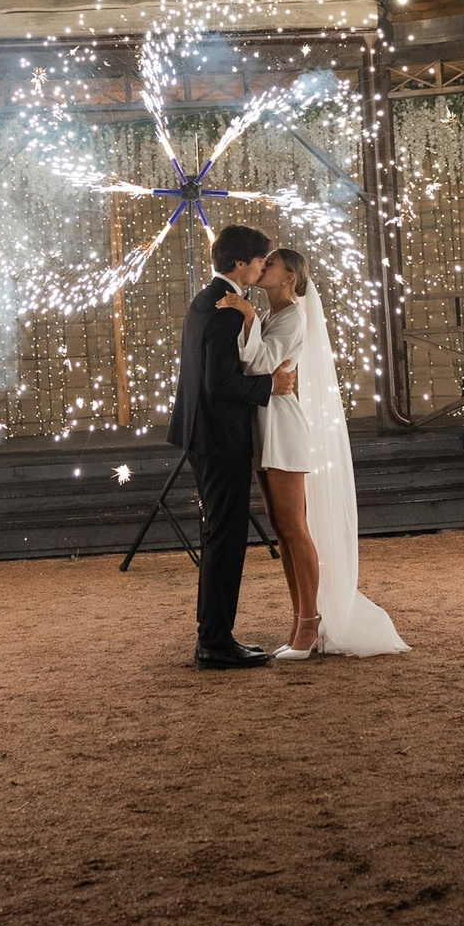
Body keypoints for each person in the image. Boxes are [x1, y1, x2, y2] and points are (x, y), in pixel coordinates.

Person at [223, 246, 408, 661]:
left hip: (283, 426)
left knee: (293, 525)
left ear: (289, 277)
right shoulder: (272, 314)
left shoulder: (291, 316)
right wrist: (255, 320)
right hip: (263, 422)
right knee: (280, 526)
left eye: (271, 263)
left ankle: (310, 622)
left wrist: (248, 318)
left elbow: (261, 364)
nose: (262, 266)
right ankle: (301, 618)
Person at [168, 224, 297, 669]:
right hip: (220, 438)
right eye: (260, 259)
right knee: (226, 539)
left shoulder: (206, 300)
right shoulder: (225, 311)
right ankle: (215, 643)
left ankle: (214, 636)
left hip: (200, 432)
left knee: (218, 534)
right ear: (241, 264)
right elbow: (219, 383)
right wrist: (270, 385)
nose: (263, 266)